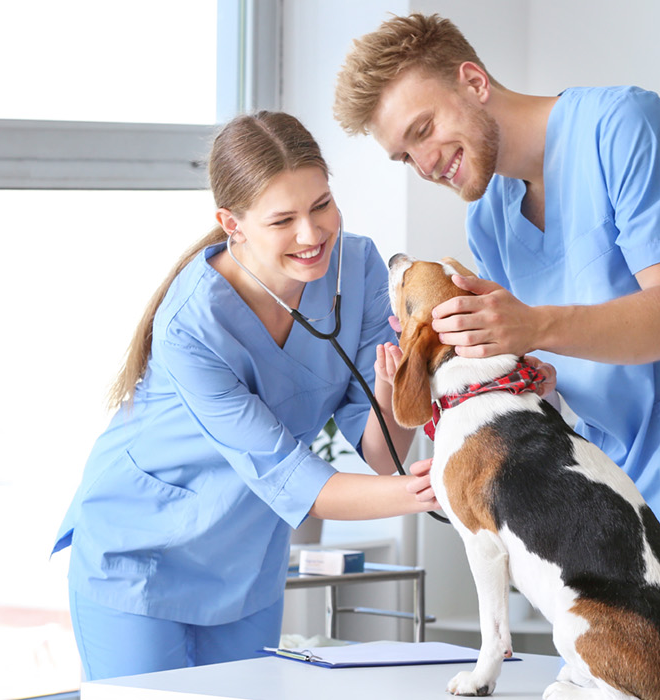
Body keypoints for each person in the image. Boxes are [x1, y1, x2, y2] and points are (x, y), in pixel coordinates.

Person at [333, 14, 660, 677]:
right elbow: (545, 360)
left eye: (423, 130)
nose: (425, 162)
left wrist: (530, 327)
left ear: (472, 81)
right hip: (604, 489)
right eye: (404, 155)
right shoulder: (490, 216)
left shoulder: (628, 128)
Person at [52, 111, 438, 681]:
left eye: (321, 206)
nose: (311, 235)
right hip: (140, 554)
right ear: (231, 223)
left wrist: (389, 388)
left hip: (247, 559)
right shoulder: (193, 322)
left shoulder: (355, 267)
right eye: (282, 220)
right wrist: (438, 489)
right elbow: (290, 476)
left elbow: (384, 453)